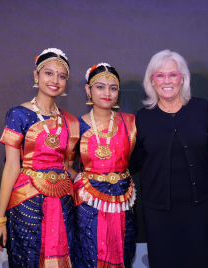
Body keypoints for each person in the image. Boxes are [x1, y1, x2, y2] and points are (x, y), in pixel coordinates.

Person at [129, 49, 208, 267]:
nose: (166, 81)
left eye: (173, 75)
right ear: (152, 80)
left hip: (201, 208)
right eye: (160, 75)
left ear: (183, 78)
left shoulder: (201, 109)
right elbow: (135, 161)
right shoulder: (142, 118)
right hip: (159, 212)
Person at [0, 48, 79, 267]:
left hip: (63, 203)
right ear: (36, 76)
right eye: (48, 73)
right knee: (27, 258)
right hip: (27, 202)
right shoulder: (18, 114)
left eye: (62, 76)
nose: (55, 80)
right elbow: (11, 168)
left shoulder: (70, 121)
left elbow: (68, 167)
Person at [71, 63, 137, 267]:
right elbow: (64, 164)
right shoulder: (75, 125)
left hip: (123, 200)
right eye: (100, 87)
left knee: (124, 252)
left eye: (113, 88)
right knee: (90, 254)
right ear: (88, 90)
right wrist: (83, 182)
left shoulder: (130, 123)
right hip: (88, 202)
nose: (107, 93)